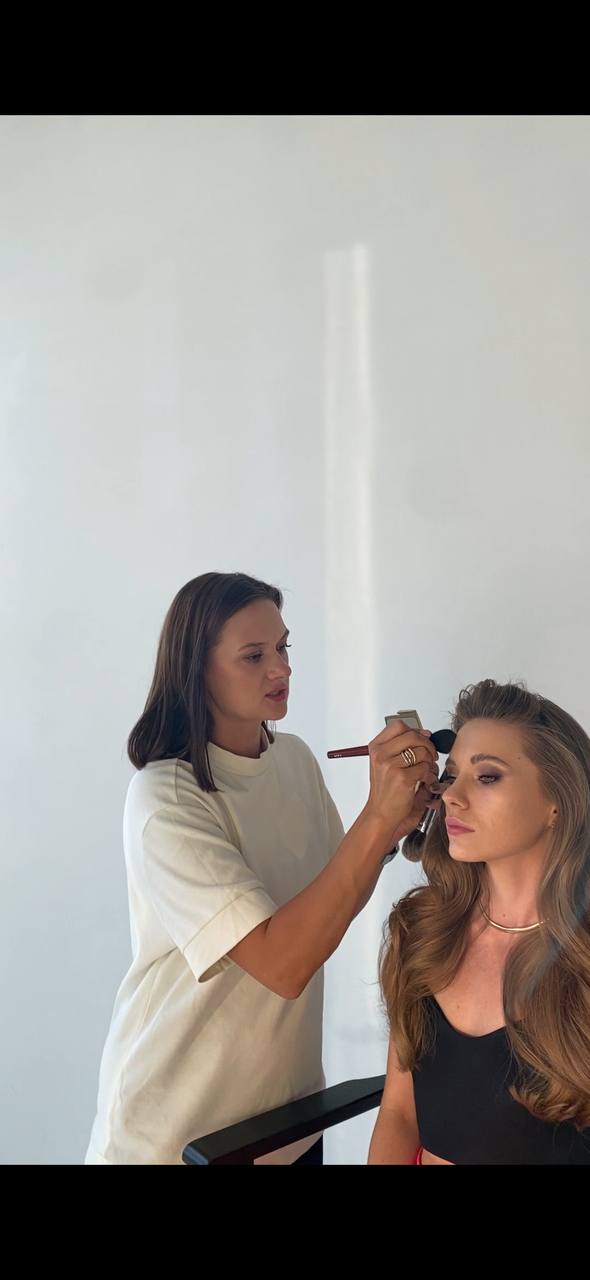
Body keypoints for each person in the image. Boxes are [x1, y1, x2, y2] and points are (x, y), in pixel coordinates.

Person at [86, 571, 438, 1164]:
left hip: (287, 1124)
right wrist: (377, 818)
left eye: (283, 647)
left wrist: (399, 818)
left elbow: (334, 894)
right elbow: (282, 963)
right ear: (195, 669)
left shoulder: (294, 760)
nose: (281, 669)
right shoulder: (166, 798)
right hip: (177, 1137)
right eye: (254, 656)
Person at [368, 679, 590, 1165]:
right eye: (450, 776)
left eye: (487, 777)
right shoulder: (421, 930)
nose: (453, 797)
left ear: (558, 800)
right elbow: (400, 1114)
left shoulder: (583, 961)